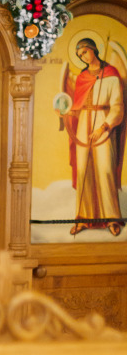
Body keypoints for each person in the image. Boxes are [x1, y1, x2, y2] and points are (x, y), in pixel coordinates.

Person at [62, 37, 125, 237]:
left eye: (85, 51)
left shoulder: (112, 75)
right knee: (83, 171)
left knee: (105, 169)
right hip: (83, 126)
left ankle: (113, 218)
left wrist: (105, 126)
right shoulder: (82, 77)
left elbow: (118, 107)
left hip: (104, 125)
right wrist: (64, 112)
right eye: (80, 55)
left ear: (94, 49)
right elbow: (77, 107)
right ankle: (83, 218)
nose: (83, 56)